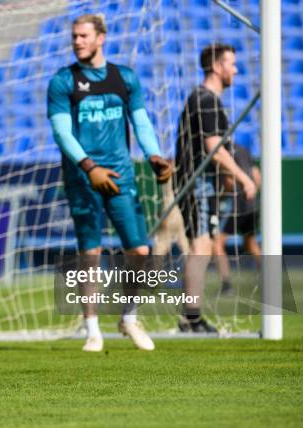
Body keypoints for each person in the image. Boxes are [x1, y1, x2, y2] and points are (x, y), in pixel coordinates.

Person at [47, 14, 173, 352]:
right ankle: (92, 330)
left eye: (84, 36)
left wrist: (155, 156)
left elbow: (142, 123)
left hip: (121, 176)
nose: (77, 42)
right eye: (74, 36)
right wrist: (89, 167)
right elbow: (61, 132)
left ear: (101, 37)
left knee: (140, 250)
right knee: (90, 252)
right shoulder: (63, 81)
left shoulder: (124, 78)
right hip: (82, 178)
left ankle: (128, 317)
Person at [174, 43, 256, 333]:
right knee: (200, 244)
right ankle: (190, 317)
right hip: (195, 181)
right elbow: (214, 149)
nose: (235, 70)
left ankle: (191, 315)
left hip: (204, 181)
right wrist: (244, 178)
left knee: (206, 244)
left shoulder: (210, 100)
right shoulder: (205, 99)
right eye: (231, 64)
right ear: (217, 66)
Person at [213, 143, 262, 295]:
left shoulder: (221, 153)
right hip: (251, 203)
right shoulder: (244, 149)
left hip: (234, 205)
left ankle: (226, 285)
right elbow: (257, 176)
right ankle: (270, 278)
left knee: (217, 245)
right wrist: (251, 190)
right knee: (251, 244)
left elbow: (229, 182)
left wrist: (219, 196)